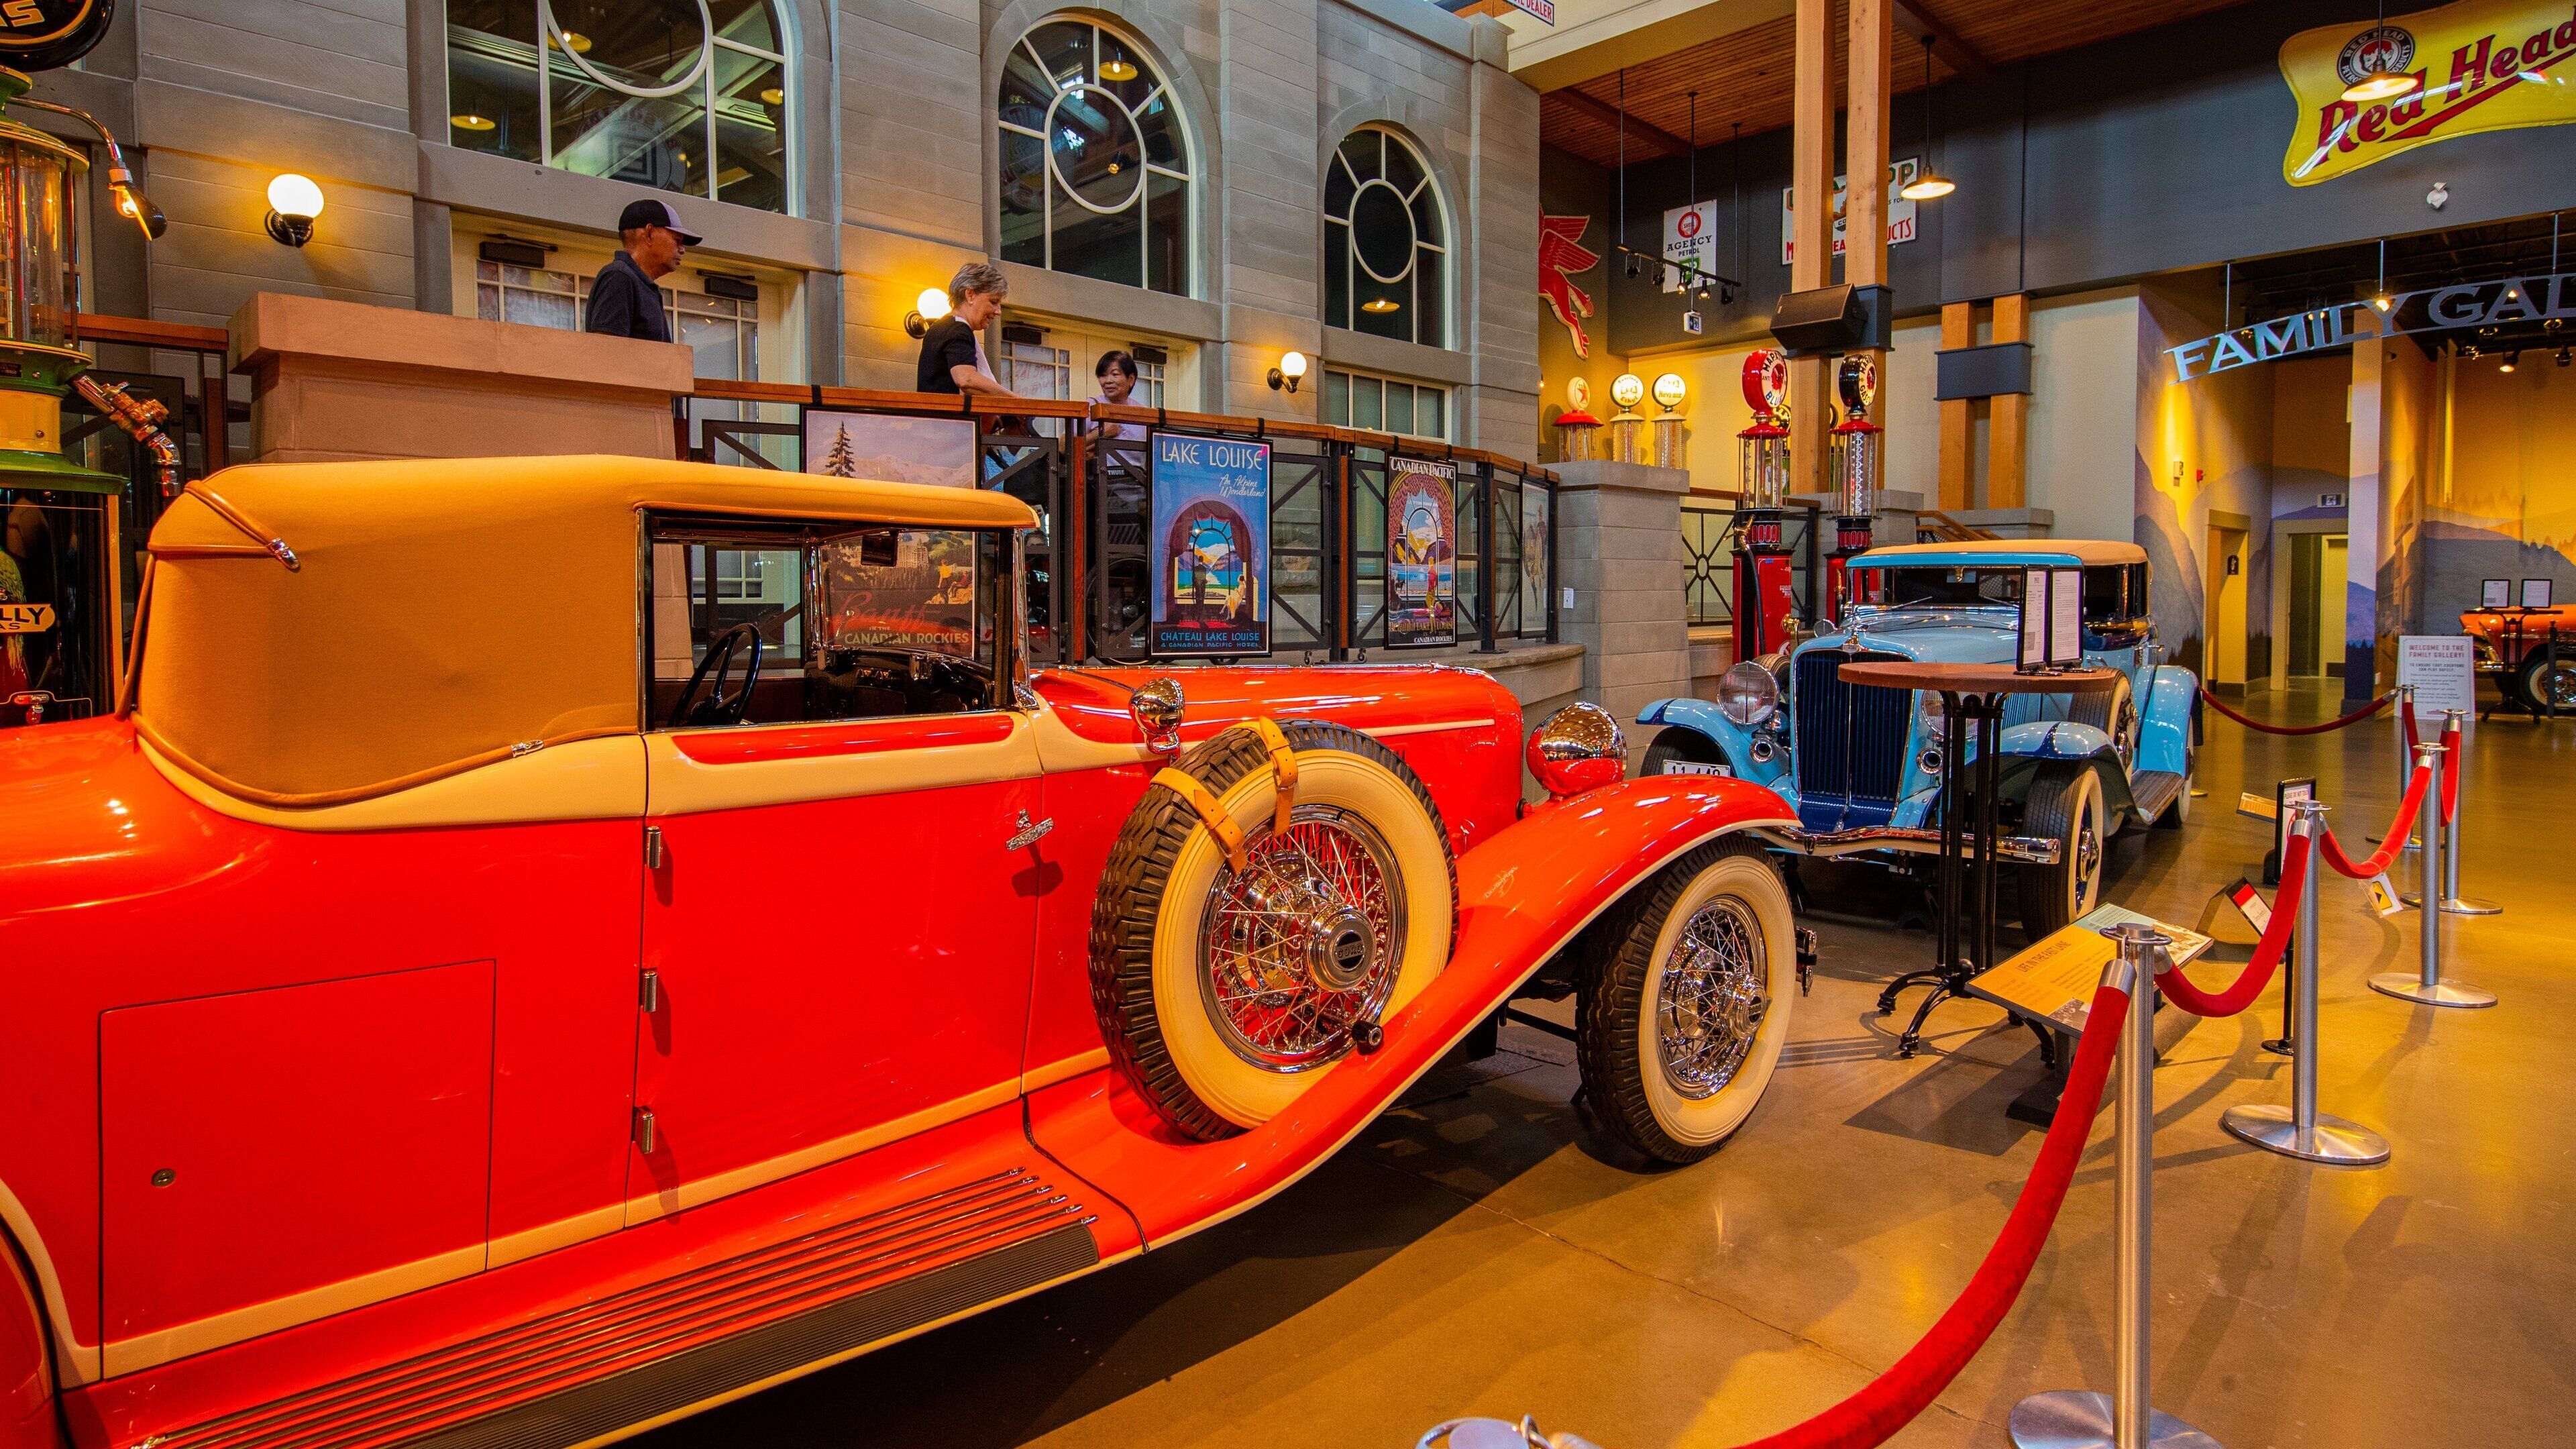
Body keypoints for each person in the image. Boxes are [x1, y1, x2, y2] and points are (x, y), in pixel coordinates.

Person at [584, 199, 701, 343]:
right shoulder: (619, 277)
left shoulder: (636, 282)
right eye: (677, 240)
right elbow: (606, 351)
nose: (682, 249)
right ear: (649, 234)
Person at [916, 261, 1016, 398]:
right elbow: (966, 379)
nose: (998, 311)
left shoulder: (943, 327)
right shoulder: (958, 329)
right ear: (970, 295)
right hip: (950, 419)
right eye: (993, 302)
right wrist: (1016, 400)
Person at [1090, 350, 1148, 441]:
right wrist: (1101, 433)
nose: (1108, 381)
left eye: (1115, 374)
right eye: (1103, 375)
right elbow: (1063, 446)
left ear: (1131, 380)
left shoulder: (1144, 412)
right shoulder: (1091, 405)